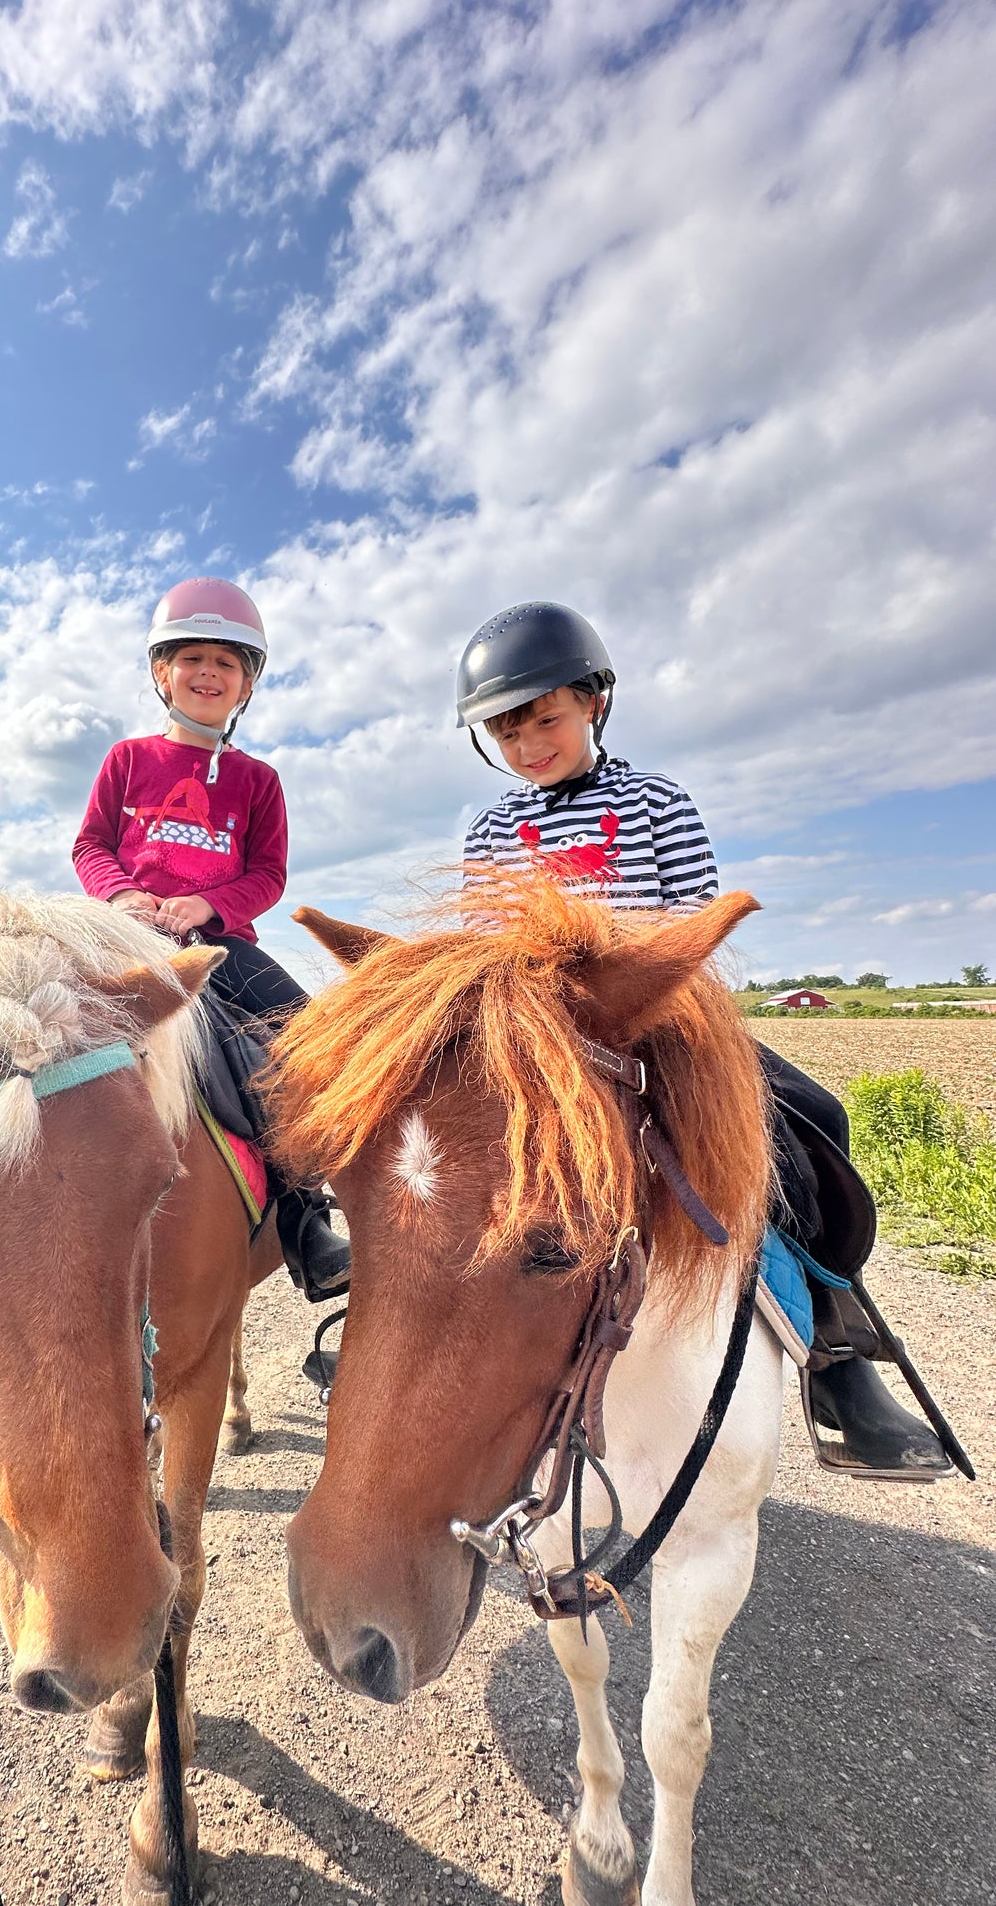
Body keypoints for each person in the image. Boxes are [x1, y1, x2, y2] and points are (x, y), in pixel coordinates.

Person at [456, 599, 955, 1480]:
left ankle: (839, 1351)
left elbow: (691, 926)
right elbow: (483, 946)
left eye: (545, 719)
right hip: (540, 1042)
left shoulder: (657, 801)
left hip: (657, 1025)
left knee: (808, 1120)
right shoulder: (490, 828)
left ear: (592, 704)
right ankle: (424, 1334)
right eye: (507, 730)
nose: (529, 744)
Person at [72, 575, 350, 1300]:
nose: (206, 673)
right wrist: (125, 894)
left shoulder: (258, 780)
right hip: (125, 937)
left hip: (218, 946)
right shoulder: (126, 760)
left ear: (246, 685)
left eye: (225, 663)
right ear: (162, 673)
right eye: (190, 657)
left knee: (308, 1041)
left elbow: (267, 874)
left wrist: (205, 906)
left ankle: (301, 1213)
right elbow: (90, 847)